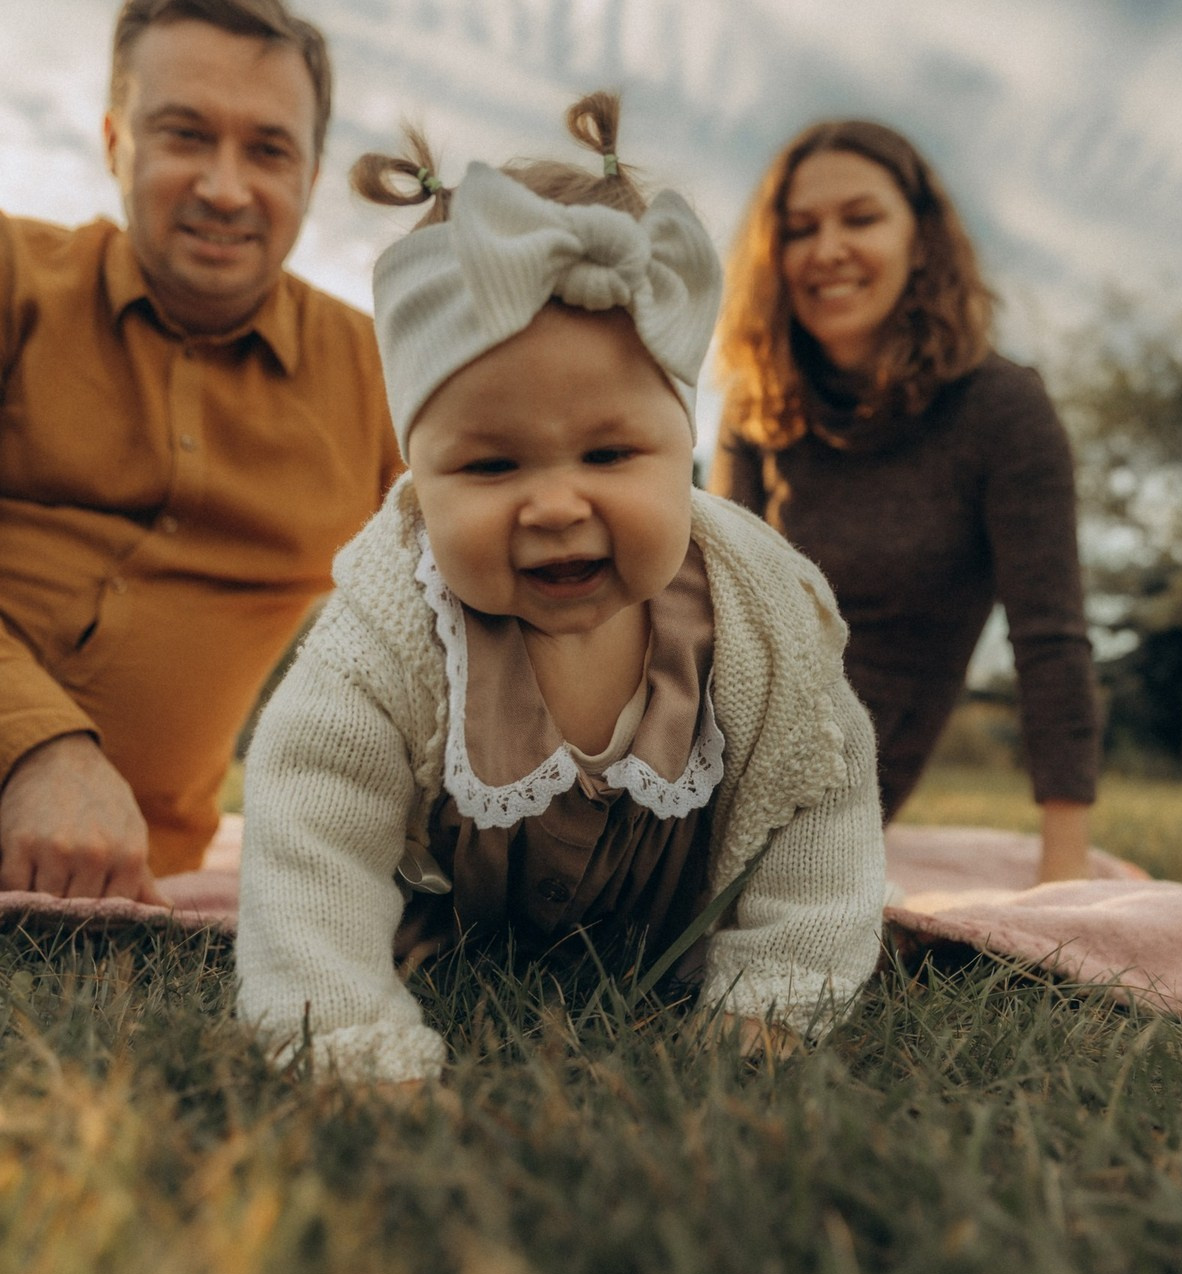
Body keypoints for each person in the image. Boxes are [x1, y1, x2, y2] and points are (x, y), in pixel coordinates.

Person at [235, 93, 886, 1083]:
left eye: (610, 453)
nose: (553, 504)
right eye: (490, 466)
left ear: (683, 448)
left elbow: (818, 804)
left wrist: (778, 999)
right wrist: (346, 1035)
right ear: (417, 477)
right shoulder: (390, 629)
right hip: (446, 944)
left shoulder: (760, 624)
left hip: (678, 949)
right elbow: (311, 835)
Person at [0, 0, 401, 900]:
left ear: (310, 174)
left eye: (268, 150)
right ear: (116, 141)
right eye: (185, 135)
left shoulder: (383, 381)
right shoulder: (13, 275)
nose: (225, 188)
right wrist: (35, 747)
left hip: (147, 891)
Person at [709, 120, 1099, 883]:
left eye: (860, 219)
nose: (827, 249)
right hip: (712, 731)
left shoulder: (1003, 409)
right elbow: (713, 607)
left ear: (921, 241)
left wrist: (1064, 870)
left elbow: (1050, 640)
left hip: (844, 771)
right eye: (800, 229)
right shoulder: (756, 406)